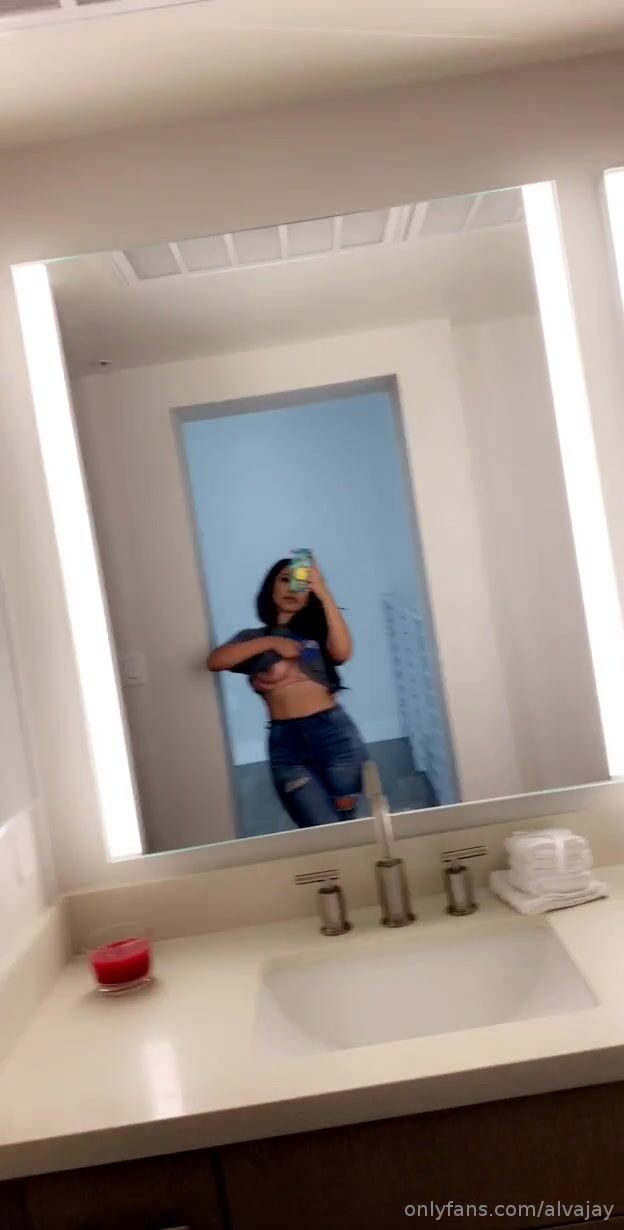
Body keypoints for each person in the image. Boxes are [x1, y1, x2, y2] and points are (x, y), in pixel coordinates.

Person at [207, 558, 367, 828]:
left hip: (334, 734)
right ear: (271, 587)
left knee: (349, 828)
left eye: (302, 584)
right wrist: (272, 642)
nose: (292, 589)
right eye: (285, 579)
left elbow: (342, 652)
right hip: (287, 743)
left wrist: (323, 590)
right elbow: (216, 661)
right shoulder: (253, 638)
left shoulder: (316, 636)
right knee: (320, 830)